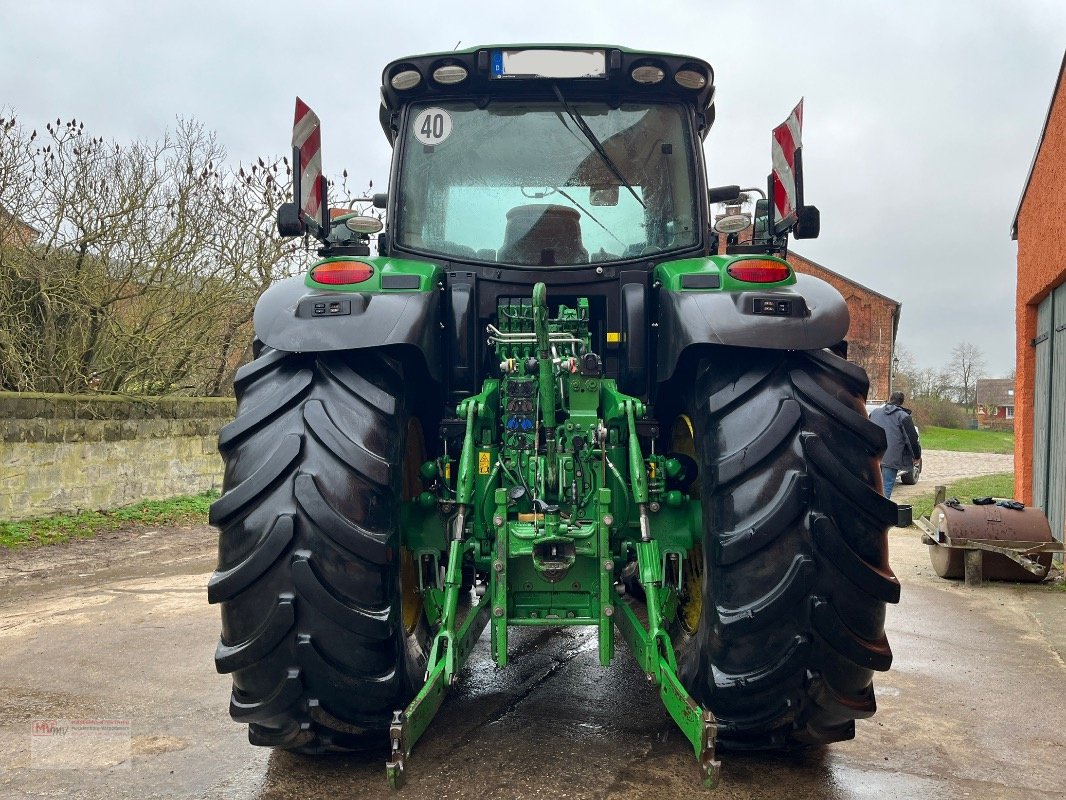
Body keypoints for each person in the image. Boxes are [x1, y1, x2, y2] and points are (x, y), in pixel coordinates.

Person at [869, 391, 921, 500]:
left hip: (872, 455)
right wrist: (916, 456)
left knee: (872, 488)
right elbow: (912, 438)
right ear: (902, 402)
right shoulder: (903, 416)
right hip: (890, 458)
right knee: (885, 490)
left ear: (889, 398)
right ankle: (880, 514)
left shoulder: (874, 413)